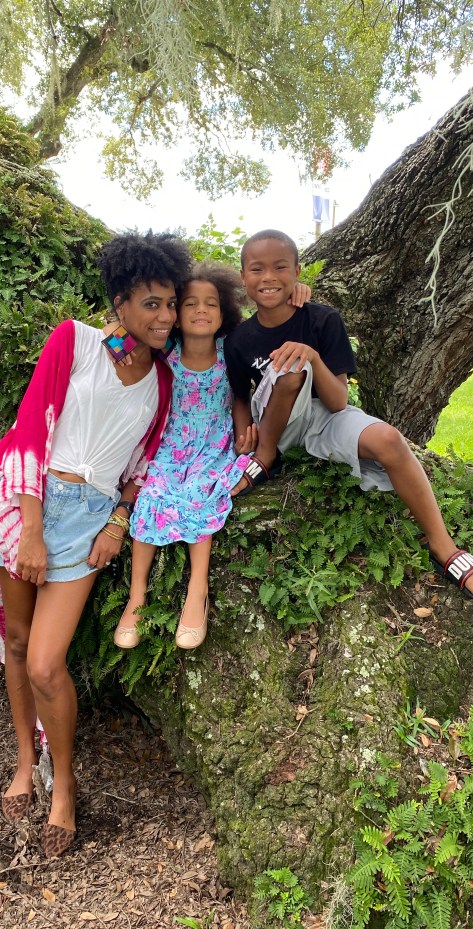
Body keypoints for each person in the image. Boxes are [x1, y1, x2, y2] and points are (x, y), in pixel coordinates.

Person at [0, 231, 193, 857]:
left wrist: (117, 523)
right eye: (153, 304)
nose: (165, 318)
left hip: (89, 519)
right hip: (29, 501)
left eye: (171, 306)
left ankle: (65, 785)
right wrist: (28, 529)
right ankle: (26, 761)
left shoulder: (163, 380)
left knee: (49, 662)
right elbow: (30, 429)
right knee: (18, 645)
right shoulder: (74, 340)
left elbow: (143, 467)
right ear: (122, 301)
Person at [225, 229, 473, 600]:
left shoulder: (322, 320)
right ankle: (266, 457)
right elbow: (241, 396)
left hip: (323, 416)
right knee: (288, 371)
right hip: (277, 422)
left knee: (389, 440)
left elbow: (337, 401)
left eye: (280, 267)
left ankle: (443, 546)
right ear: (243, 277)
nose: (268, 277)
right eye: (257, 268)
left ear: (297, 272)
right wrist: (247, 436)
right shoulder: (239, 339)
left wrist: (314, 356)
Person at [113, 264, 312, 651]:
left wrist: (296, 294)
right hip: (171, 440)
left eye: (211, 304)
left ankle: (196, 590)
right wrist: (113, 331)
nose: (201, 310)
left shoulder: (231, 348)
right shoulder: (165, 350)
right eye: (190, 304)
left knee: (204, 491)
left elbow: (242, 390)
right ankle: (136, 598)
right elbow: (122, 343)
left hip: (215, 441)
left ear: (224, 313)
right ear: (174, 313)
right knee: (152, 493)